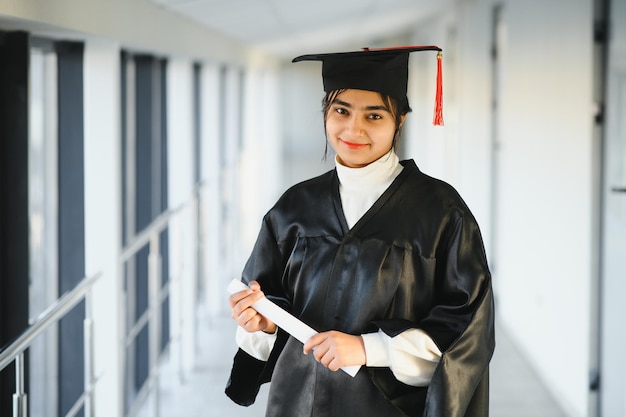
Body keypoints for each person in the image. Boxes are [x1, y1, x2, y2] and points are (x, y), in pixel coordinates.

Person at [225, 45, 495, 417]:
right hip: (298, 400)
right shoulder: (293, 208)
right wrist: (264, 323)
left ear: (399, 121)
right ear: (325, 114)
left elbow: (468, 331)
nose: (354, 129)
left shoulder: (440, 212)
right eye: (341, 111)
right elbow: (269, 309)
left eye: (374, 116)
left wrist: (370, 349)